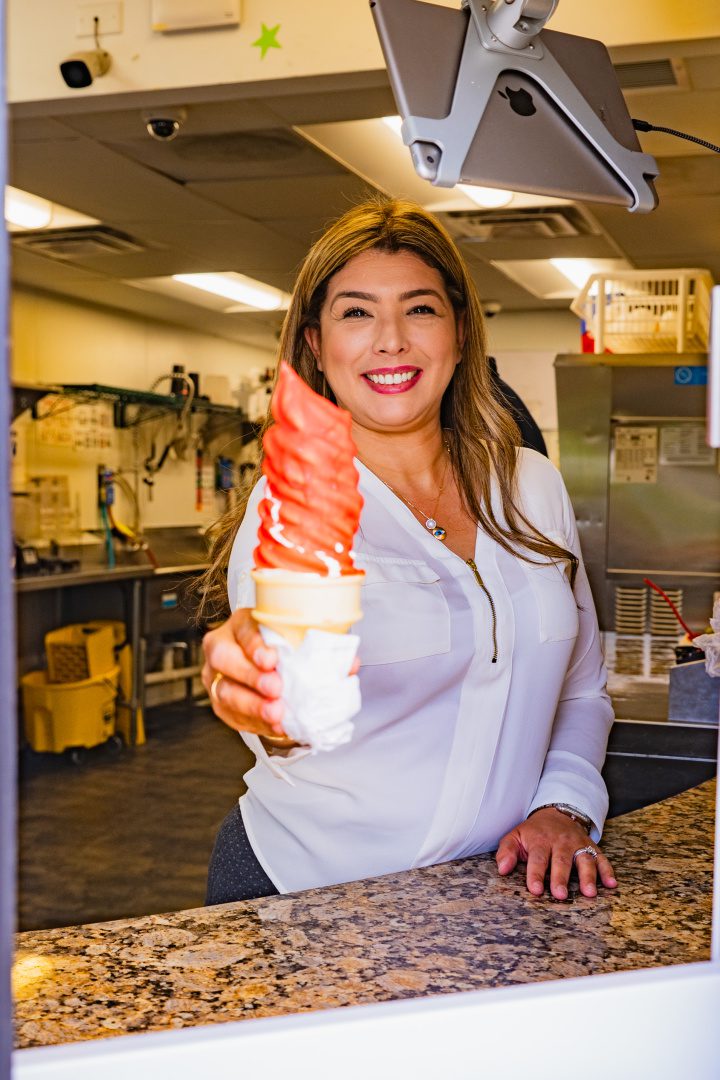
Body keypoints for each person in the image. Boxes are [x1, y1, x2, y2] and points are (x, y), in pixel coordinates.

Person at [199, 196, 616, 907]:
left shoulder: (532, 486)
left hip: (490, 893)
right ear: (316, 345)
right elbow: (291, 714)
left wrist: (565, 804)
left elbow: (580, 689)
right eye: (356, 313)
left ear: (459, 331)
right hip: (308, 892)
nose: (390, 340)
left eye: (419, 309)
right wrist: (265, 697)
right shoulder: (295, 507)